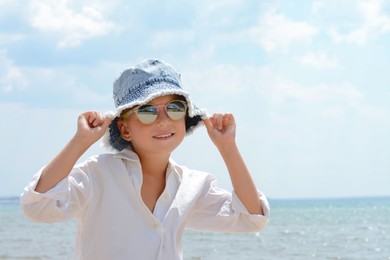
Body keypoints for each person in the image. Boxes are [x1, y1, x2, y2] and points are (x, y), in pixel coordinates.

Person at [20, 59, 270, 260]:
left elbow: (251, 218)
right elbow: (37, 206)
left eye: (174, 108)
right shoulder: (98, 175)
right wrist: (81, 141)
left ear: (185, 117)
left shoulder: (192, 186)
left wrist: (228, 148)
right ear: (125, 129)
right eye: (147, 111)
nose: (163, 120)